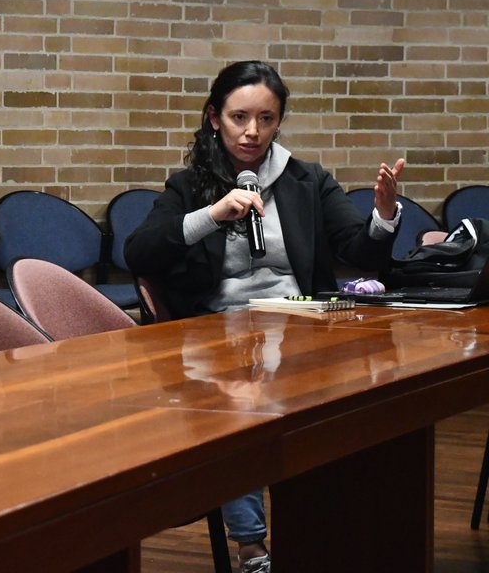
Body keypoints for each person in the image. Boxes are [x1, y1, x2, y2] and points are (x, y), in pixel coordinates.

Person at [124, 60, 405, 573]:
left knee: (362, 396)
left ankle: (337, 533)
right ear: (215, 118)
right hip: (220, 331)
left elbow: (358, 250)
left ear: (279, 122)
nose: (252, 131)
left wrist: (384, 217)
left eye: (266, 119)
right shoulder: (188, 185)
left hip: (300, 322)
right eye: (239, 117)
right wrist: (212, 215)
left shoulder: (307, 179)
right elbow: (140, 255)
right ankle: (252, 547)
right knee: (242, 403)